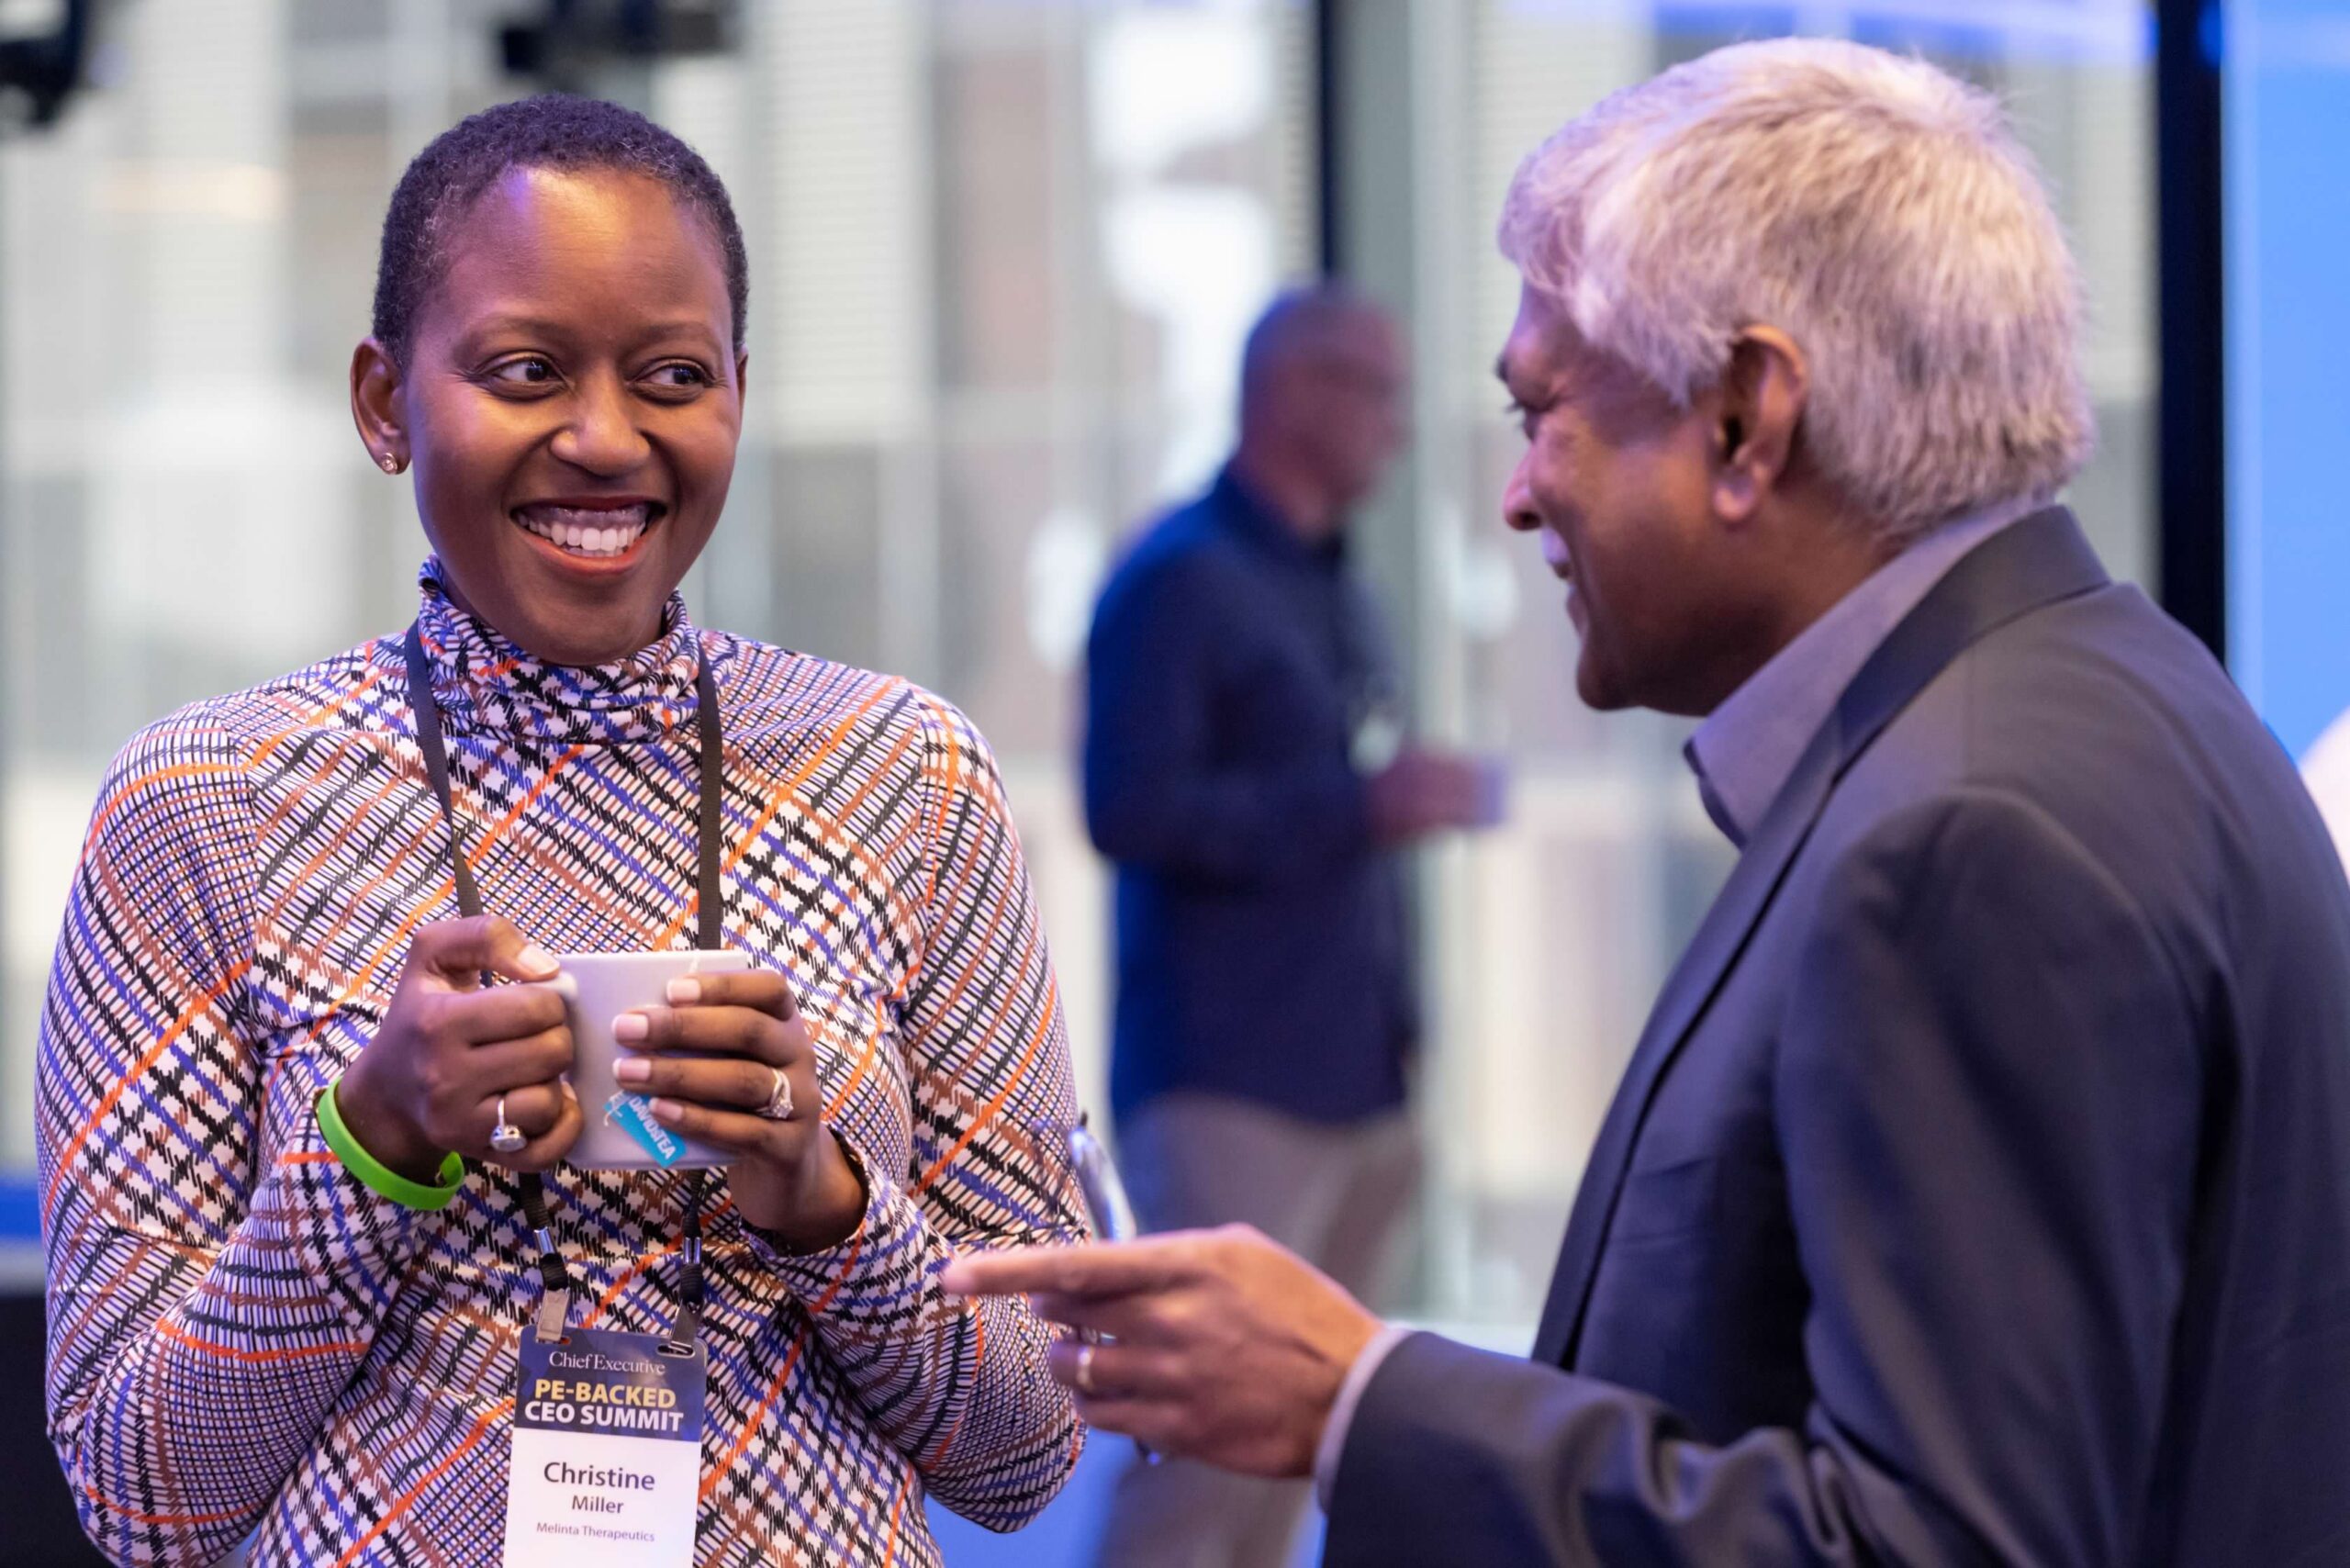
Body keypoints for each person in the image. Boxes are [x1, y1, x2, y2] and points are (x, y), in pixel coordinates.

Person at [948, 38, 2350, 1566]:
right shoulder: (2113, 686)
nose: (1516, 491)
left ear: (1748, 420)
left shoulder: (1964, 830)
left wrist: (1362, 1401)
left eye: (1544, 409)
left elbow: (1928, 1544)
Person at [39, 95, 1086, 1567]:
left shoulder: (906, 780)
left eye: (672, 374)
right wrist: (373, 1145)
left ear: (738, 392)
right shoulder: (205, 807)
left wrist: (820, 1196)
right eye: (526, 370)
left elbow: (1033, 1447)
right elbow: (137, 1495)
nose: (605, 438)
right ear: (385, 402)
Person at [1081, 286, 1494, 1565]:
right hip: (1231, 1088)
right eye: (1376, 390)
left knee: (1288, 1458)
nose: (1397, 425)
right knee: (1198, 1467)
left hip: (1356, 1079)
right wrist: (1357, 804)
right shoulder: (1178, 580)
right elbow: (1128, 809)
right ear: (1295, 393)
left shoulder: (1333, 589)